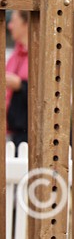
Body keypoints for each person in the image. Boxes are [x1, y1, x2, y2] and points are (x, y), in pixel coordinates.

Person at [5, 10, 29, 150]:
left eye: (14, 21)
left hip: (29, 131)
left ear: (26, 23)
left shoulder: (38, 54)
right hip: (14, 131)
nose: (10, 26)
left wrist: (20, 85)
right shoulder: (14, 55)